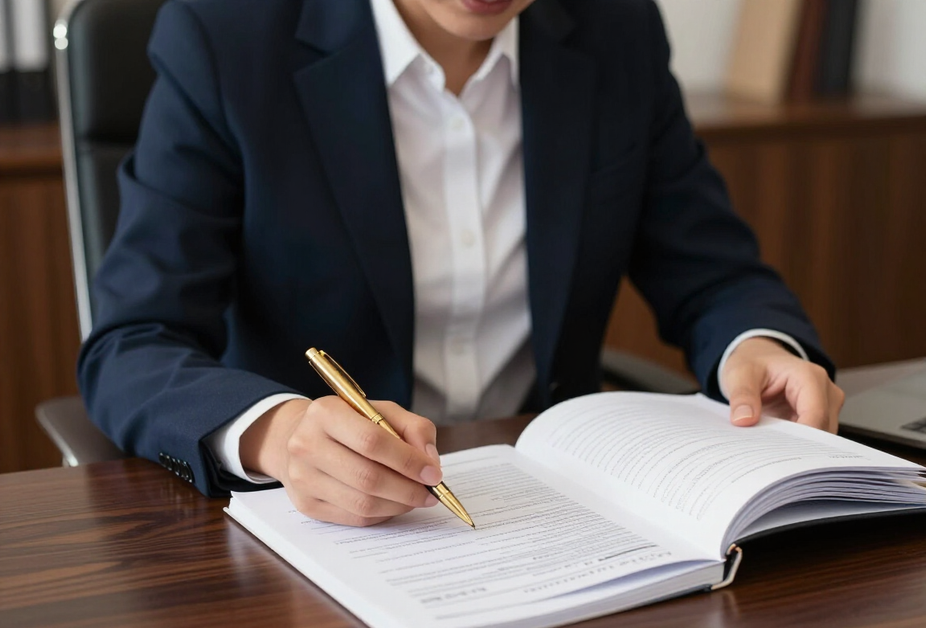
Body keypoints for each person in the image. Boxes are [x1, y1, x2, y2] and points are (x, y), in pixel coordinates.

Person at [78, 0, 844, 527]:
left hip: (559, 510)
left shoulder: (618, 30)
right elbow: (133, 343)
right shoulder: (226, 35)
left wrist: (759, 346)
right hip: (323, 529)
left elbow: (712, 270)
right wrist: (277, 435)